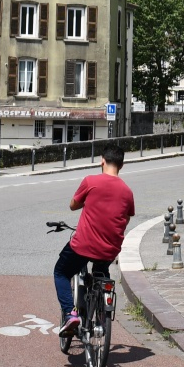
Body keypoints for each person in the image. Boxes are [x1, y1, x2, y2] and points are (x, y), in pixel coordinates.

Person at [54, 144, 136, 336]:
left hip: (84, 245)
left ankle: (69, 314)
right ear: (122, 165)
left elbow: (73, 205)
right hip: (110, 249)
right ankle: (100, 312)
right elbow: (126, 218)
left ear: (102, 160)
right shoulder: (127, 191)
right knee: (100, 271)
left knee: (60, 272)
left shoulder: (91, 181)